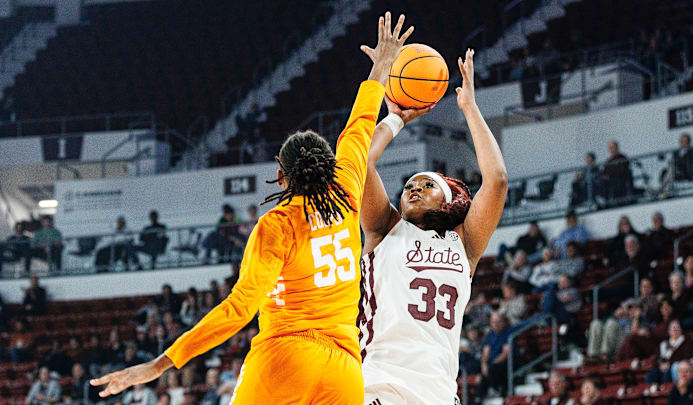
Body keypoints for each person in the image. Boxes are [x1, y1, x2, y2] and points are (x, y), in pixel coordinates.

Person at [91, 12, 412, 404]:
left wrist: (159, 364)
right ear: (329, 166)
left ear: (281, 178)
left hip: (286, 355)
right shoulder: (347, 186)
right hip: (344, 368)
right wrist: (388, 89)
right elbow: (361, 124)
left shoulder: (277, 224)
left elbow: (239, 309)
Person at [357, 47, 508, 405]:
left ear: (450, 200)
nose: (413, 189)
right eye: (409, 185)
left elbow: (497, 180)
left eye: (427, 185)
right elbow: (358, 162)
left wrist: (469, 108)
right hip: (377, 385)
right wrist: (394, 118)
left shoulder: (465, 242)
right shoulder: (383, 228)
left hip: (438, 393)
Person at [478, 313, 512, 398]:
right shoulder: (490, 335)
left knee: (494, 368)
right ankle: (479, 398)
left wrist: (492, 363)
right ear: (490, 323)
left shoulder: (507, 333)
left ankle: (498, 390)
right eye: (494, 322)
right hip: (492, 363)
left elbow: (505, 353)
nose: (496, 324)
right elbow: (486, 352)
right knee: (481, 369)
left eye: (498, 321)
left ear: (503, 322)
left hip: (504, 362)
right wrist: (484, 364)